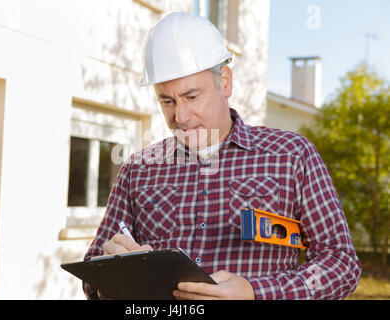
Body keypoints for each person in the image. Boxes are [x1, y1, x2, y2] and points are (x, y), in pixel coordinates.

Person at [83, 12, 361, 300]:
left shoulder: (292, 156)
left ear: (225, 82)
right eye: (167, 101)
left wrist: (256, 293)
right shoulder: (138, 169)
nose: (180, 116)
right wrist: (113, 269)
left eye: (192, 97)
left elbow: (341, 265)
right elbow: (91, 277)